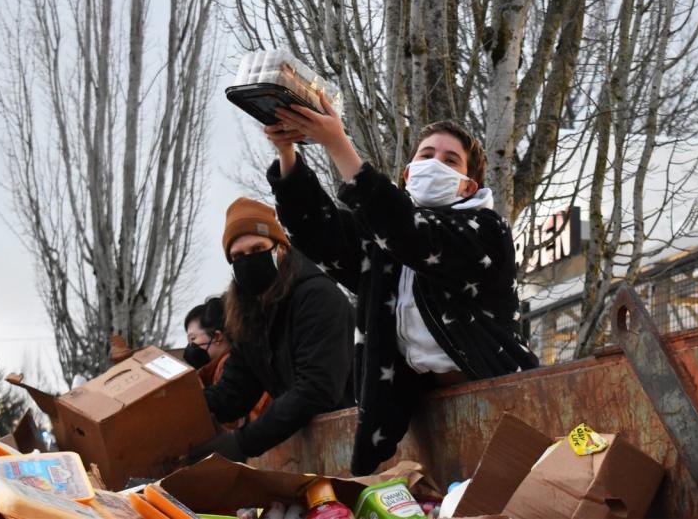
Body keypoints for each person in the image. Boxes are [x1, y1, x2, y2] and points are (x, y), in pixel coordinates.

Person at [265, 94, 540, 475]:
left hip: (499, 400)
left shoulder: (486, 231)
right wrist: (287, 151)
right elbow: (320, 232)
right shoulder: (384, 245)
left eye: (450, 160)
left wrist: (337, 143)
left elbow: (414, 235)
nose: (435, 164)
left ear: (466, 187)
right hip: (416, 413)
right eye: (426, 155)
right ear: (408, 175)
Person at [189, 197, 355, 463]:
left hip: (347, 442)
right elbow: (234, 393)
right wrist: (177, 409)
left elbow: (316, 388)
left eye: (257, 248)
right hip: (307, 452)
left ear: (281, 248)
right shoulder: (249, 314)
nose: (248, 261)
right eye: (237, 256)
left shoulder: (318, 297)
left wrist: (242, 443)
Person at [183, 297, 233, 385]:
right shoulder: (214, 370)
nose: (190, 346)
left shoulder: (228, 367)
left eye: (193, 338)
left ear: (217, 337)